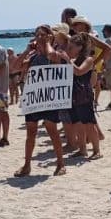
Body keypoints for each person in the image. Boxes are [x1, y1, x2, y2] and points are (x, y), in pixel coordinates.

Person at [14, 26, 67, 176]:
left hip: (49, 98)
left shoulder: (57, 53)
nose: (40, 37)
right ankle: (27, 165)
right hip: (34, 99)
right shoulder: (32, 57)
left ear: (51, 36)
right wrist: (26, 50)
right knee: (30, 132)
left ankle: (60, 164)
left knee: (52, 130)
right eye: (37, 35)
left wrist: (48, 42)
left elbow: (52, 57)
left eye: (43, 35)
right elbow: (14, 68)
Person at [66, 33, 103, 160]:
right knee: (77, 123)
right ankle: (82, 150)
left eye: (71, 47)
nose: (69, 50)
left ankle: (97, 150)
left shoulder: (89, 59)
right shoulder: (73, 60)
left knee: (89, 123)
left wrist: (67, 60)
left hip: (84, 94)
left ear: (80, 47)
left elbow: (79, 71)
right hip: (73, 94)